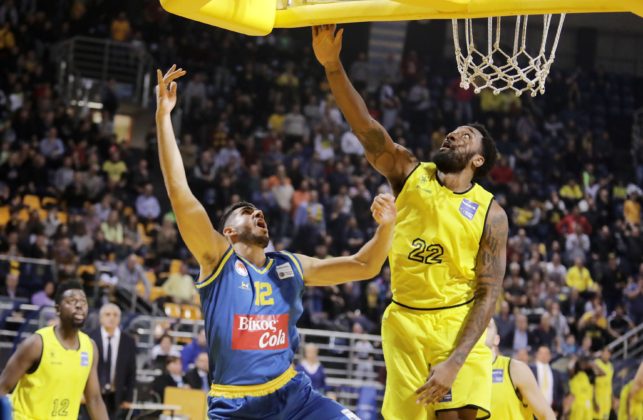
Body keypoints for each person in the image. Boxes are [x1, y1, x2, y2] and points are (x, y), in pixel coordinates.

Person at [156, 65, 396, 419]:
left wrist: (387, 227)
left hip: (293, 396)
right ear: (228, 232)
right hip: (236, 406)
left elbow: (365, 265)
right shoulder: (217, 261)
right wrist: (164, 117)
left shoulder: (289, 265)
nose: (257, 213)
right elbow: (180, 193)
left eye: (257, 210)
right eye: (245, 212)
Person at [313, 25, 508, 419]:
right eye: (453, 132)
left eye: (465, 136)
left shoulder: (491, 212)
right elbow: (366, 129)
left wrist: (455, 361)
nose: (453, 135)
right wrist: (333, 67)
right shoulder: (409, 172)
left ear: (478, 160)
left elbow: (488, 293)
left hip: (457, 321)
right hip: (405, 319)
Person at [0, 281, 108, 420]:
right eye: (71, 301)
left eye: (83, 301)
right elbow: (3, 386)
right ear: (58, 309)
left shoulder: (90, 347)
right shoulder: (37, 344)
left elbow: (94, 399)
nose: (79, 305)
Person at [485, 319, 556, 419]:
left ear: (496, 339)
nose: (481, 329)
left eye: (487, 326)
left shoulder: (515, 368)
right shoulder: (464, 373)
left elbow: (546, 414)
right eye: (478, 326)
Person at [89, 303, 137, 419]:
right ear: (101, 318)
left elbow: (131, 371)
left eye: (115, 315)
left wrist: (129, 398)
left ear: (119, 319)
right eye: (108, 314)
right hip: (93, 394)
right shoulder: (89, 337)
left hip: (116, 396)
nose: (112, 318)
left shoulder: (128, 341)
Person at [530, 346, 565, 416]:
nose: (544, 355)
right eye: (541, 353)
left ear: (550, 356)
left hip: (551, 410)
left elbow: (561, 392)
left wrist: (556, 408)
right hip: (532, 410)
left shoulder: (556, 373)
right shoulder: (529, 370)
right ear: (537, 355)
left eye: (546, 353)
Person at [594, 347, 614, 420]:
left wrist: (612, 399)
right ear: (601, 353)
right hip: (597, 398)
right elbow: (592, 384)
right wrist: (594, 401)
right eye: (605, 353)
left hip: (607, 401)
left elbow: (610, 383)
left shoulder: (610, 366)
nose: (606, 355)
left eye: (608, 354)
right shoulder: (596, 363)